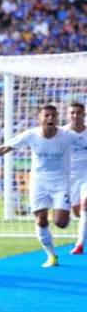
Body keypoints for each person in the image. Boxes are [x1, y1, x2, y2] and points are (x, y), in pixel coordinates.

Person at [0, 104, 87, 267]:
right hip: (39, 182)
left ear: (57, 118)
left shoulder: (67, 135)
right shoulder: (31, 135)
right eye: (46, 115)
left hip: (61, 182)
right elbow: (5, 147)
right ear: (40, 118)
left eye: (53, 115)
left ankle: (56, 210)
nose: (50, 118)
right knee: (41, 220)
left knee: (61, 223)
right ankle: (51, 255)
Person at [63, 102, 87, 255]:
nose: (75, 115)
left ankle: (79, 244)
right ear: (68, 115)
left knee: (86, 206)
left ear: (84, 114)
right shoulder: (61, 133)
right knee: (77, 213)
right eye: (72, 113)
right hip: (68, 177)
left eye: (78, 112)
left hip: (86, 175)